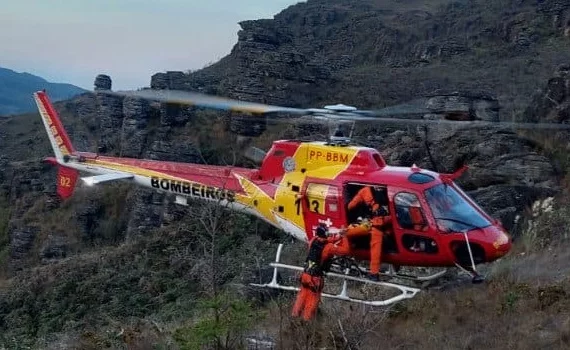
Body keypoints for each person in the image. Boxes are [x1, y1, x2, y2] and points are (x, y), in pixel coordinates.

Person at [291, 223, 350, 321]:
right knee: (312, 302)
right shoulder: (329, 247)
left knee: (301, 297)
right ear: (326, 233)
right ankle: (306, 323)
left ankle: (294, 318)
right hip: (315, 279)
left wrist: (338, 235)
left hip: (305, 275)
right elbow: (346, 251)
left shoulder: (313, 240)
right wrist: (345, 236)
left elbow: (326, 241)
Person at [346, 186, 392, 281]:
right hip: (388, 222)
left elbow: (350, 206)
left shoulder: (364, 191)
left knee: (346, 233)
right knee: (380, 243)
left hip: (376, 223)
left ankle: (374, 273)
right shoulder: (389, 190)